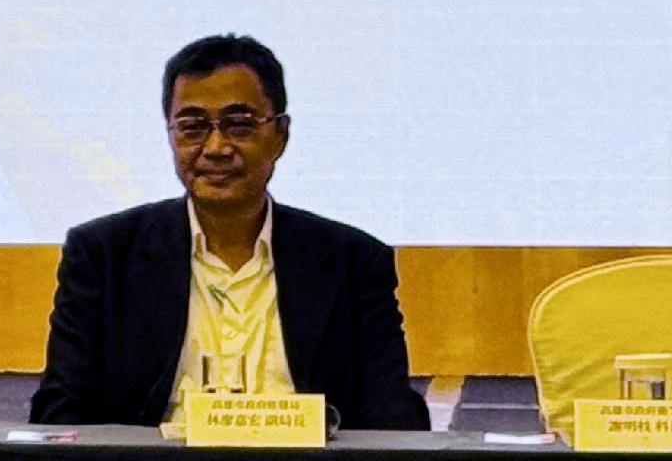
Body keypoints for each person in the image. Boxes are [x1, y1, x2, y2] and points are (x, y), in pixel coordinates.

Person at [31, 33, 427, 430]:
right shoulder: (104, 255)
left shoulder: (353, 263)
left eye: (239, 125)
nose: (216, 147)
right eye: (193, 127)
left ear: (280, 135)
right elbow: (60, 413)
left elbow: (392, 419)